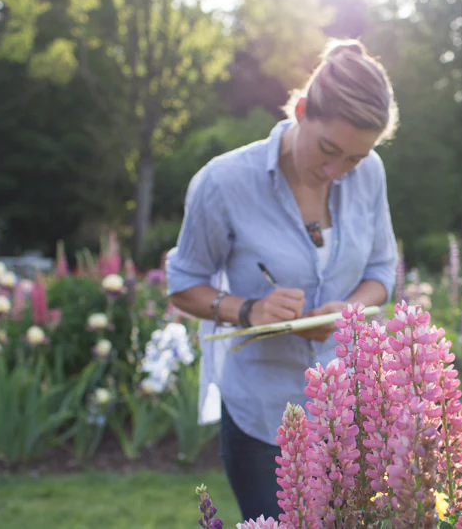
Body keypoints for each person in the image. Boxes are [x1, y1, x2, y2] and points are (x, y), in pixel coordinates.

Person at [164, 38, 399, 521]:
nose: (336, 171)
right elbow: (184, 283)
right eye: (328, 150)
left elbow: (380, 271)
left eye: (353, 158)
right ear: (301, 110)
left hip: (352, 409)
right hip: (263, 417)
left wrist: (346, 313)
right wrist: (249, 310)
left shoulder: (370, 173)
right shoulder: (223, 181)